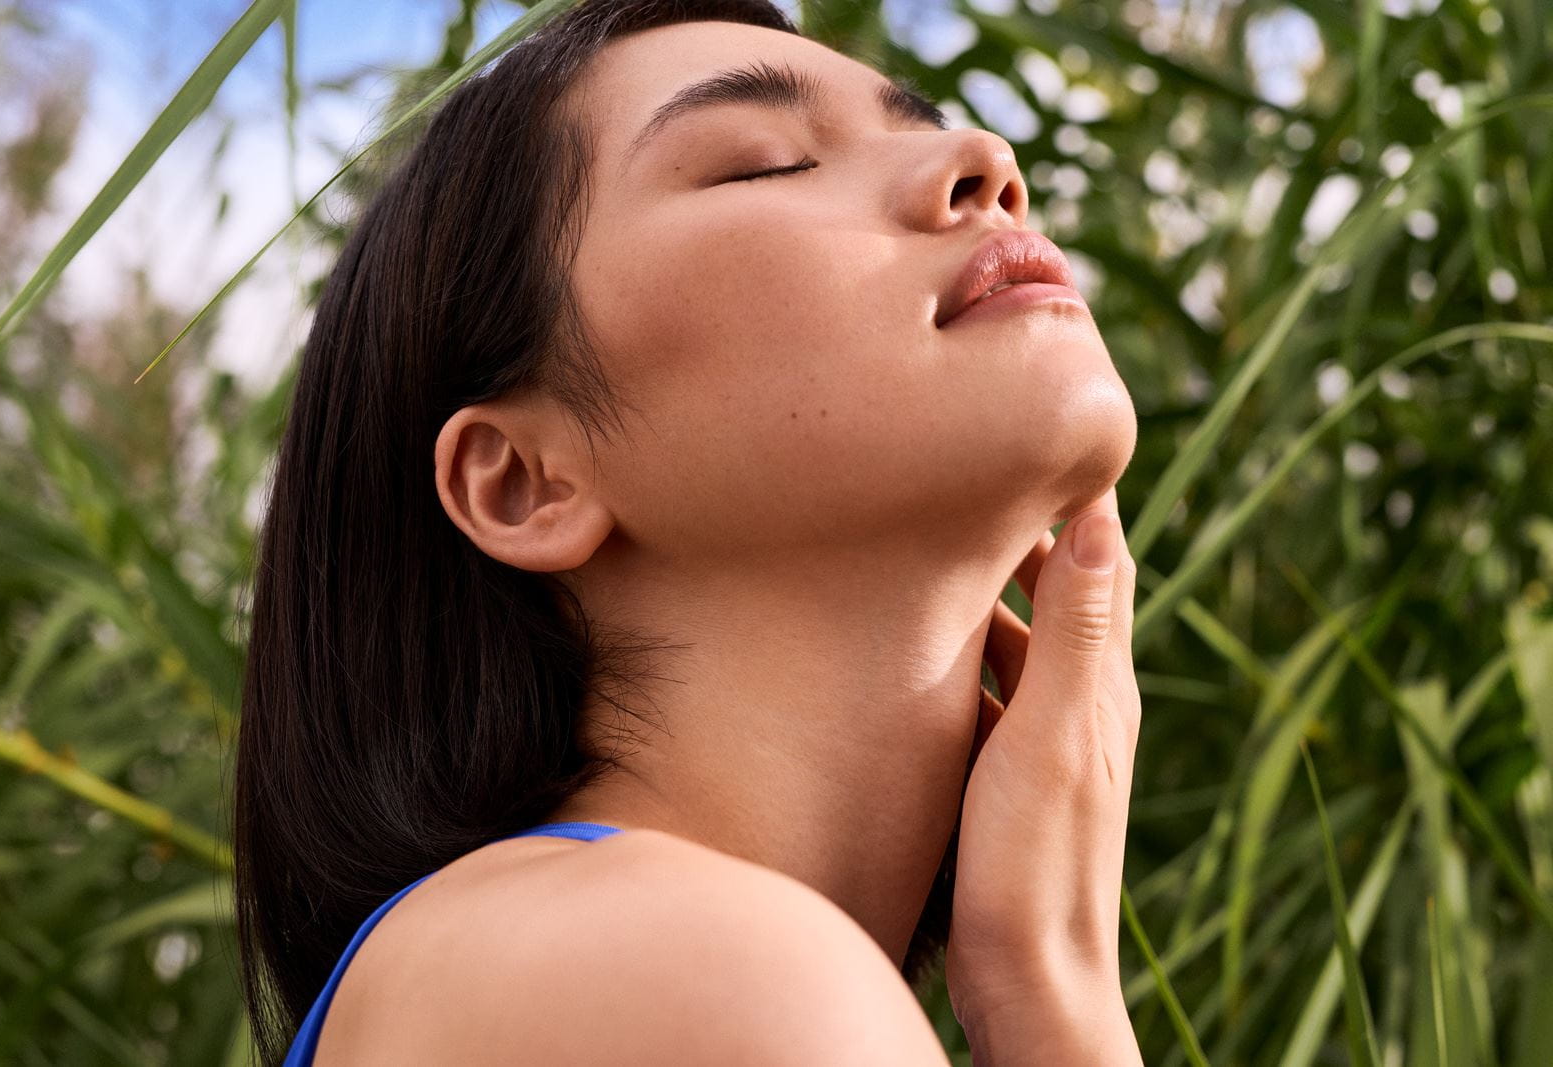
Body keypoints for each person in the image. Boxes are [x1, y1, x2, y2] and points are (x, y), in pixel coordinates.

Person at [233, 0, 1143, 1063]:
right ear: (525, 481)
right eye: (765, 163)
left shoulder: (543, 969)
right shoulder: (691, 972)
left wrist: (1047, 982)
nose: (986, 160)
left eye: (922, 125)